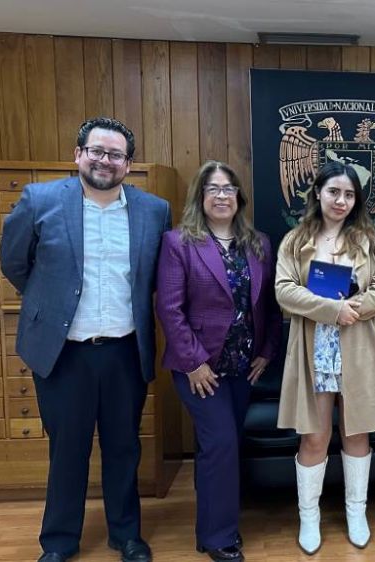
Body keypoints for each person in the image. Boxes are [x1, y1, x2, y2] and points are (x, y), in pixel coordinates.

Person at [0, 117, 171, 562]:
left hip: (123, 350)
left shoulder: (153, 210)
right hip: (64, 353)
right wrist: (50, 304)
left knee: (123, 447)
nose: (105, 161)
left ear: (128, 164)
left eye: (116, 155)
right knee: (67, 451)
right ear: (78, 154)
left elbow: (155, 279)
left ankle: (126, 536)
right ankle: (58, 542)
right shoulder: (40, 200)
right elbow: (15, 263)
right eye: (97, 151)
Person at [155, 161, 282, 562]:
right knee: (222, 443)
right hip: (199, 369)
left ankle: (207, 525)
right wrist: (193, 362)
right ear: (201, 197)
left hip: (243, 366)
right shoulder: (179, 243)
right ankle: (219, 537)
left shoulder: (259, 243)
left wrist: (266, 351)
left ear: (239, 196)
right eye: (213, 189)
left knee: (218, 445)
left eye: (229, 188)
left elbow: (271, 307)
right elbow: (169, 309)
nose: (222, 195)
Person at [274, 161, 375, 554]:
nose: (341, 200)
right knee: (314, 434)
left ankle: (355, 512)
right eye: (334, 192)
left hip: (358, 343)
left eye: (348, 194)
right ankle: (308, 518)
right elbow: (283, 290)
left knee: (357, 429)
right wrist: (332, 310)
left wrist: (353, 309)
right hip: (314, 345)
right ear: (318, 193)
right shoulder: (295, 240)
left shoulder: (368, 239)